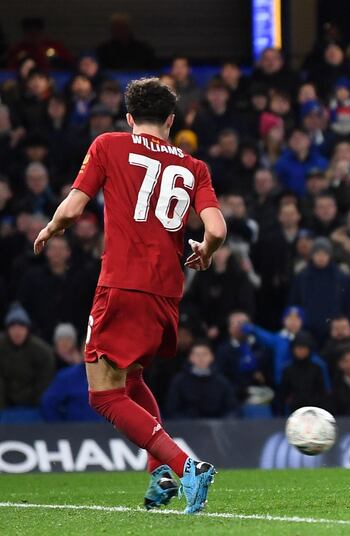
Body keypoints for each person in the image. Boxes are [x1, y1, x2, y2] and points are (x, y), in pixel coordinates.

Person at [32, 78, 226, 512]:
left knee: (102, 395)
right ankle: (159, 475)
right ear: (172, 120)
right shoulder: (194, 167)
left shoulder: (109, 145)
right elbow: (216, 230)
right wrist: (206, 254)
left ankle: (185, 466)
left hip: (121, 283)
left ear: (129, 117)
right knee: (132, 378)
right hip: (166, 293)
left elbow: (74, 206)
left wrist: (50, 229)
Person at [0, 303, 55, 409]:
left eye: (21, 327)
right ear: (7, 330)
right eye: (13, 327)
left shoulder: (42, 351)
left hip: (32, 401)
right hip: (5, 401)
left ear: (27, 329)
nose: (17, 332)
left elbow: (45, 379)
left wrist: (36, 402)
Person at [165, 341, 238, 419]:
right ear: (190, 357)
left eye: (205, 354)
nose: (201, 358)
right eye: (197, 354)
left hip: (217, 427)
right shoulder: (179, 381)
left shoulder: (222, 382)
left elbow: (232, 408)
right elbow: (171, 409)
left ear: (212, 357)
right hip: (186, 427)